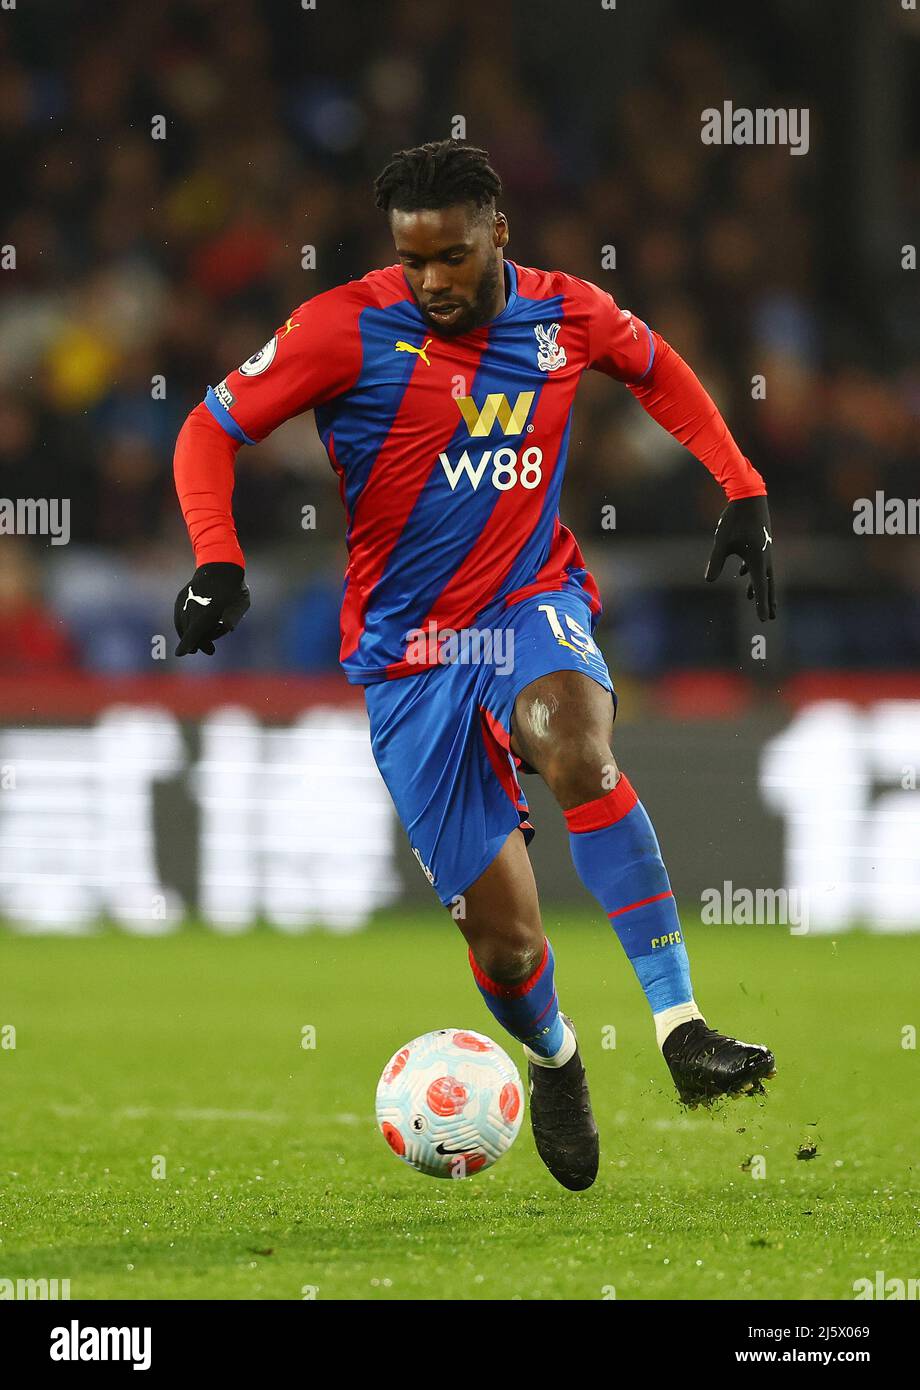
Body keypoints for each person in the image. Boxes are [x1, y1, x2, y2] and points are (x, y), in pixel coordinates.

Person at [173, 140, 776, 1191]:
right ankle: (554, 1058)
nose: (432, 281)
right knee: (503, 946)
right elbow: (207, 428)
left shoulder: (564, 314)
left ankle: (680, 1024)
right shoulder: (341, 328)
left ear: (497, 231)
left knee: (573, 745)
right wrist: (215, 560)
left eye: (450, 256)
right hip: (409, 660)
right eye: (414, 261)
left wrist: (739, 482)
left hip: (528, 599)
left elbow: (654, 365)